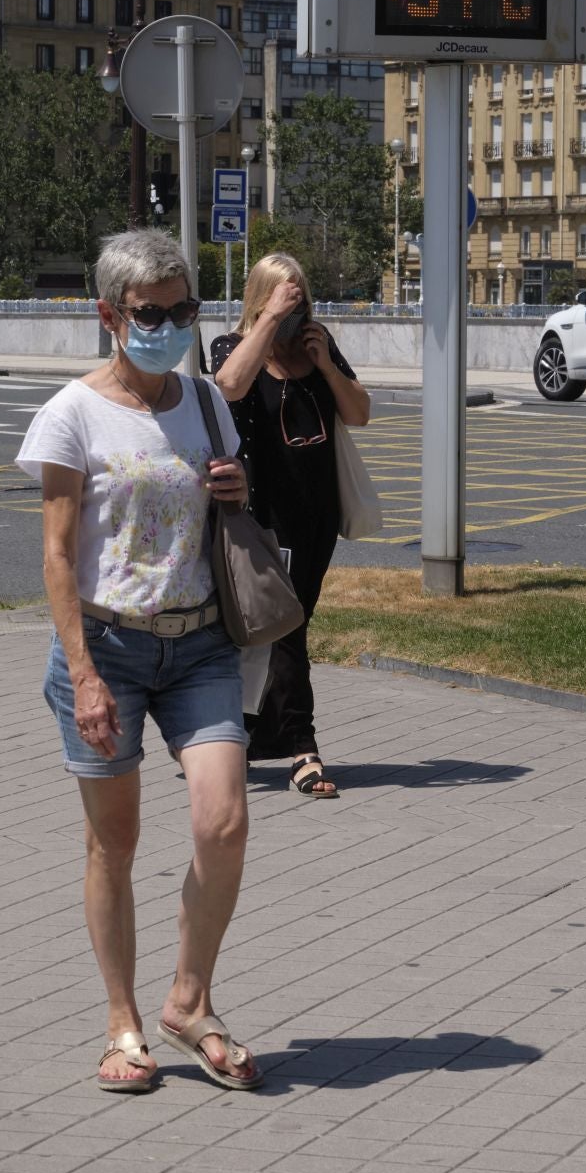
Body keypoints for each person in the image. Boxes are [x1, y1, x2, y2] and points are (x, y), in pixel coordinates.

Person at [16, 230, 262, 1095]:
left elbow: (223, 499)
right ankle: (122, 1026)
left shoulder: (204, 401)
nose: (168, 326)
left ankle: (189, 1002)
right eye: (150, 313)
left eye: (182, 310)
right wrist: (82, 673)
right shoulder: (72, 414)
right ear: (110, 315)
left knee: (223, 821)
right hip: (107, 646)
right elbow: (55, 556)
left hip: (199, 643)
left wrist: (233, 488)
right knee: (113, 844)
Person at [211, 254, 370, 799]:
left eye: (301, 296)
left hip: (315, 516)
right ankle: (302, 747)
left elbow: (360, 412)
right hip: (259, 516)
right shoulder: (233, 346)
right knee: (282, 626)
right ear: (261, 298)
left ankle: (239, 737)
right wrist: (264, 325)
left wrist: (325, 363)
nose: (295, 307)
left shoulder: (316, 345)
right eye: (285, 296)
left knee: (279, 628)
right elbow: (230, 385)